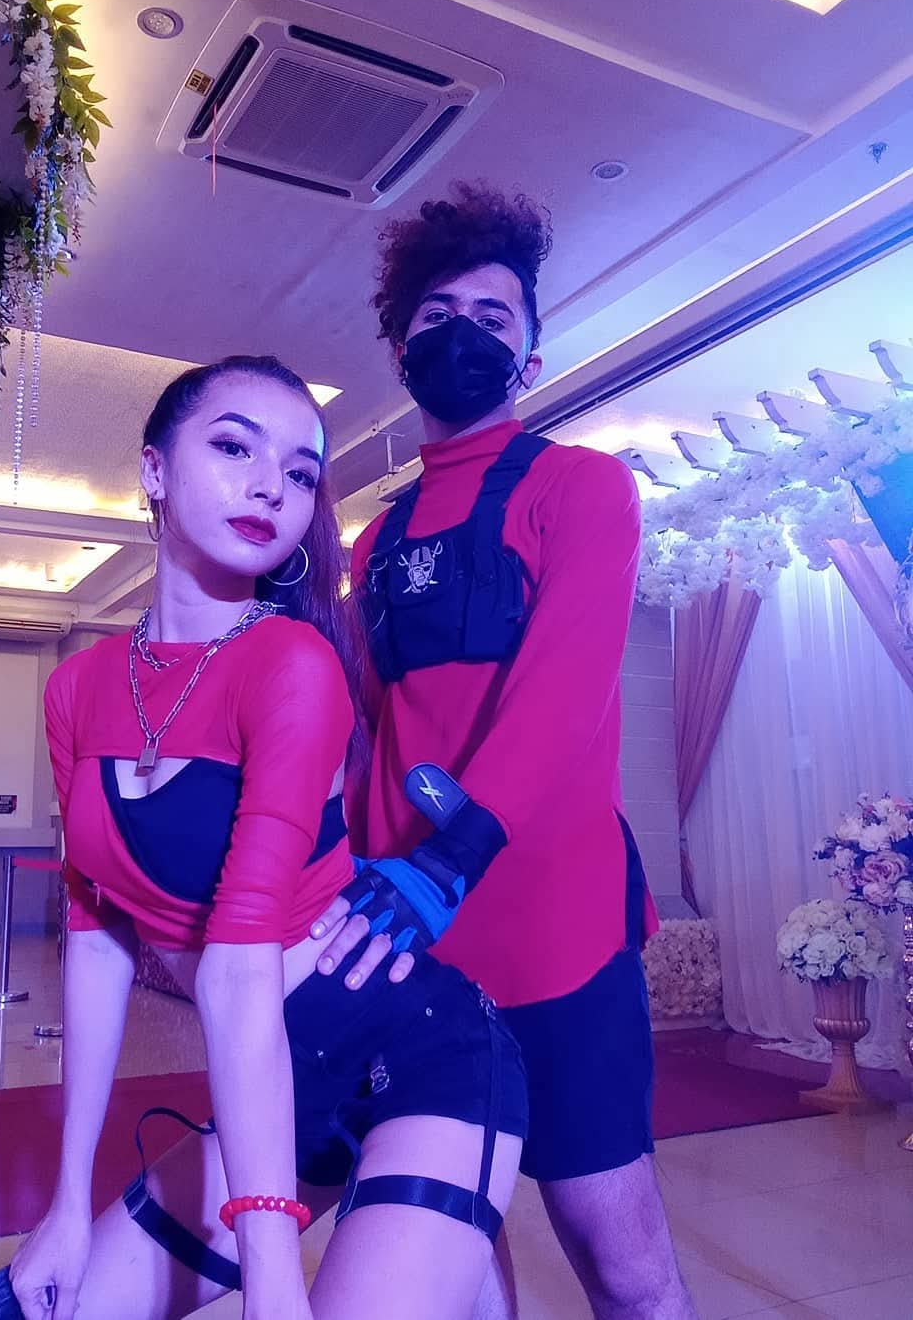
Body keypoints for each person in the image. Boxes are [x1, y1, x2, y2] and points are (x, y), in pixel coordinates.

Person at [0, 355, 527, 1320]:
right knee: (49, 1307)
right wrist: (67, 1206)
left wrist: (270, 1272)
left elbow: (239, 966)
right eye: (236, 448)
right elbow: (97, 937)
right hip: (275, 1083)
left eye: (299, 472)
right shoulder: (77, 687)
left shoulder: (293, 661)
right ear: (154, 470)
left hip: (422, 1052)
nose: (270, 487)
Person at [309, 184, 698, 1320]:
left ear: (529, 356)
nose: (462, 334)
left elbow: (561, 698)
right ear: (400, 352)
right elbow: (369, 733)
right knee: (455, 1263)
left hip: (554, 929)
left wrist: (450, 859)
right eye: (436, 316)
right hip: (411, 938)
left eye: (491, 316)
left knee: (624, 1267)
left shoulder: (584, 487)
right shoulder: (374, 541)